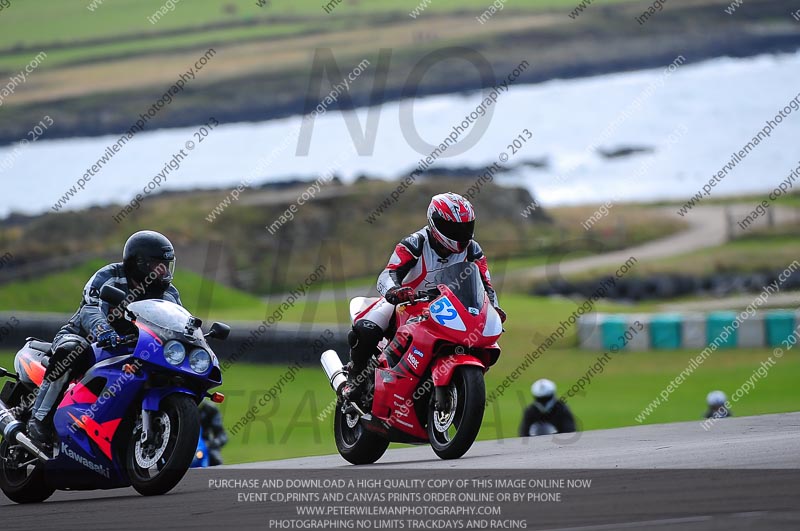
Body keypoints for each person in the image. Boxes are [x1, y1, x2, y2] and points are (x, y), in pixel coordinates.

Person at [343, 192, 506, 401]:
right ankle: (355, 379)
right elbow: (389, 273)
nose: (461, 233)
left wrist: (494, 308)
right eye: (454, 228)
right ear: (435, 222)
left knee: (478, 341)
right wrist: (395, 291)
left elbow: (486, 285)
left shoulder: (473, 250)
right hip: (405, 303)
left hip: (446, 307)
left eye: (466, 227)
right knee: (366, 328)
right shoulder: (416, 242)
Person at [27, 230, 181, 446]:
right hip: (85, 337)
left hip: (130, 348)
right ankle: (39, 420)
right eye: (158, 265)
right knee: (72, 350)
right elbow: (90, 309)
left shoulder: (169, 294)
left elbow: (177, 323)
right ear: (139, 263)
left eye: (167, 265)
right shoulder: (108, 276)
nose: (164, 271)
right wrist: (104, 332)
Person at [199, 401, 228, 466]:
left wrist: (214, 442)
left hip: (203, 446)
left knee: (215, 459)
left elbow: (222, 435)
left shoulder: (209, 410)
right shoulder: (176, 408)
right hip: (180, 446)